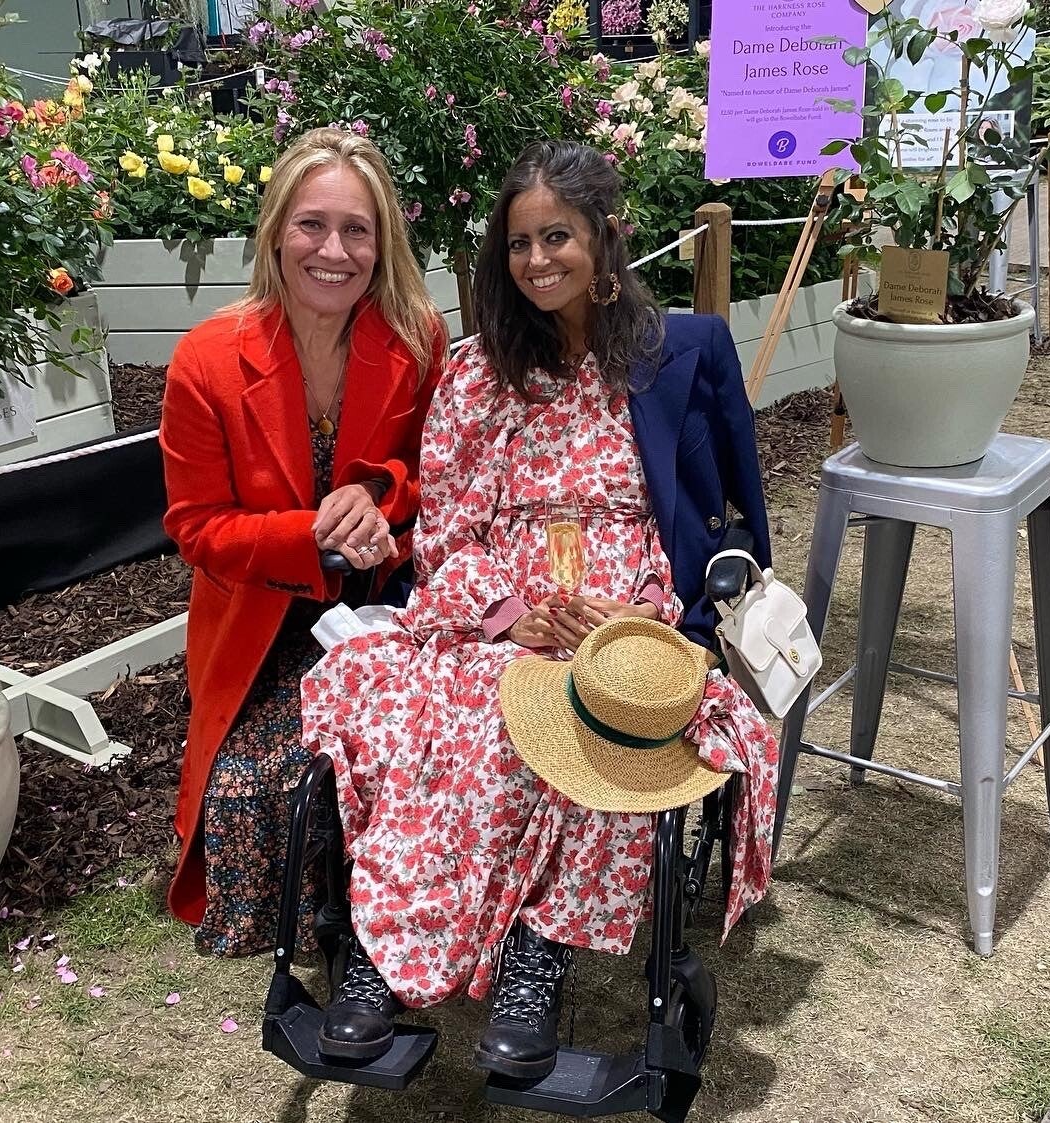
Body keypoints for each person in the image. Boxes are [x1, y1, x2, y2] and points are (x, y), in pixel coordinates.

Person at [299, 140, 781, 1078]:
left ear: (606, 238)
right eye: (519, 244)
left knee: (606, 725)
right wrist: (509, 614)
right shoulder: (478, 372)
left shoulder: (666, 356)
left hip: (624, 614)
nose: (536, 262)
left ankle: (536, 957)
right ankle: (377, 957)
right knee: (448, 713)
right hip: (498, 601)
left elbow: (706, 520)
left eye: (557, 237)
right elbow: (447, 527)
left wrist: (636, 615)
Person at [158, 127, 446, 956]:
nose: (335, 250)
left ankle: (381, 905)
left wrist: (382, 495)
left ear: (382, 242)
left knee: (369, 756)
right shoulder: (208, 359)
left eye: (358, 229)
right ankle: (331, 909)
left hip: (386, 607)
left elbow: (445, 474)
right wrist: (312, 534)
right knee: (253, 788)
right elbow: (196, 528)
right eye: (312, 225)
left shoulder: (415, 337)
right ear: (276, 233)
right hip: (263, 626)